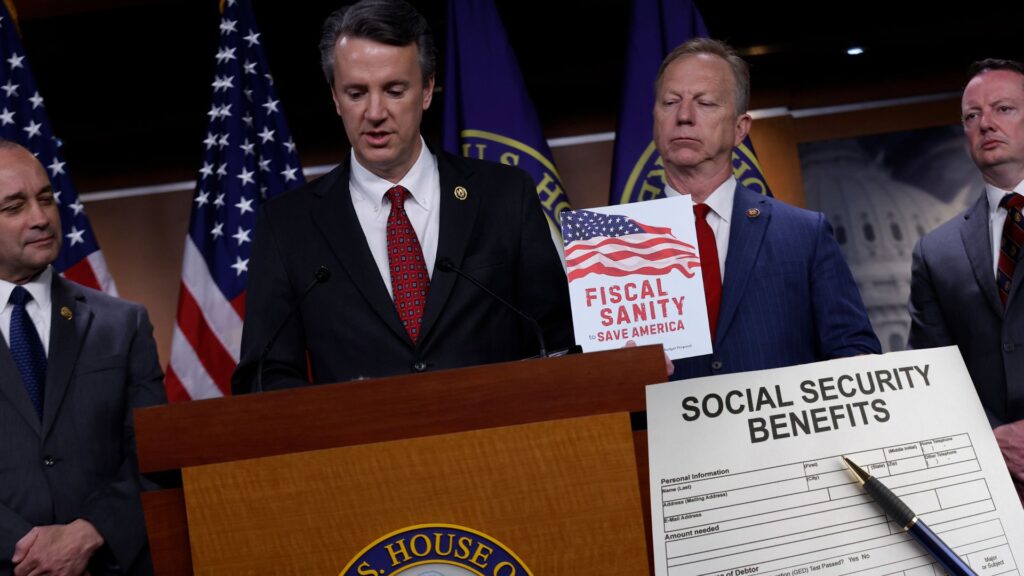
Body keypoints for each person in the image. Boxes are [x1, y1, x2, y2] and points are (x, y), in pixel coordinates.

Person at [231, 0, 572, 392]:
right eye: (356, 93)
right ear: (335, 98)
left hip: (497, 444)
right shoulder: (287, 226)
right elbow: (262, 378)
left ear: (426, 90)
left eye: (394, 90)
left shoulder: (505, 196)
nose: (375, 112)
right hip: (358, 450)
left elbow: (556, 341)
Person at [652, 38, 880, 380]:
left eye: (705, 103)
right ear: (654, 119)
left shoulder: (804, 234)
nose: (684, 116)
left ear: (740, 128)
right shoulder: (610, 247)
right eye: (671, 102)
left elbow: (854, 352)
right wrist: (618, 370)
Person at [0, 141, 165, 575]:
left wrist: (88, 532)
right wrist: (26, 549)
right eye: (14, 207)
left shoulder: (123, 325)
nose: (40, 218)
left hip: (107, 562)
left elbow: (154, 456)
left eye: (45, 199)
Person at [908, 59, 1024, 496]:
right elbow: (931, 371)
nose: (985, 124)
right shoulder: (935, 252)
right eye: (972, 117)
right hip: (997, 482)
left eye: (1003, 109)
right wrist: (995, 439)